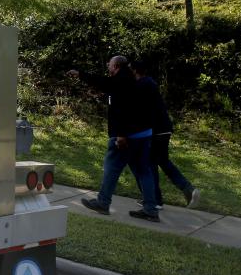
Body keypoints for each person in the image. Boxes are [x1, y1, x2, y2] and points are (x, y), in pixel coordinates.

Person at [67, 55, 160, 222]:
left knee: (112, 167)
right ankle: (151, 209)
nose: (108, 67)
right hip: (143, 134)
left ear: (116, 66)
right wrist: (81, 74)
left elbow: (122, 109)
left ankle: (103, 202)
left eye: (109, 64)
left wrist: (121, 134)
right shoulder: (130, 80)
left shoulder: (122, 81)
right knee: (144, 171)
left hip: (128, 136)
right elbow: (103, 83)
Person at [131, 60, 201, 209]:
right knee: (163, 161)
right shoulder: (149, 83)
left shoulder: (141, 84)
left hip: (155, 130)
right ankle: (188, 189)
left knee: (149, 163)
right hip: (164, 128)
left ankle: (155, 200)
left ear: (135, 71)